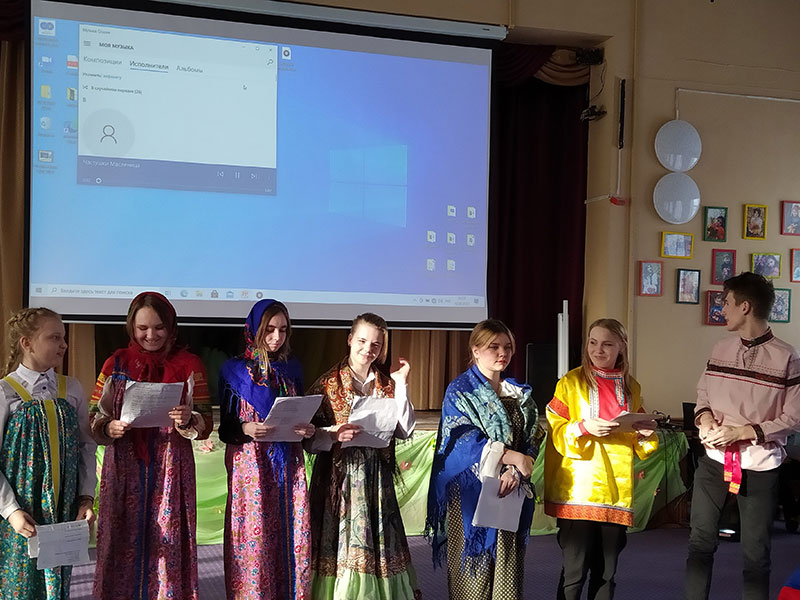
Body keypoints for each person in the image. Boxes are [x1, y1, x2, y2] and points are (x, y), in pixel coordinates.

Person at [90, 292, 212, 600]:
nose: (151, 335)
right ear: (131, 327)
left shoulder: (190, 365)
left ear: (171, 327)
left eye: (159, 327)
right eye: (143, 328)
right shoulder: (116, 363)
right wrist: (108, 426)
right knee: (121, 536)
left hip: (171, 465)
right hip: (125, 463)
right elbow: (94, 415)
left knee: (168, 536)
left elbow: (206, 421)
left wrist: (188, 419)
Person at [686, 272, 800, 600]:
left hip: (760, 466)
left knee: (756, 556)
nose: (722, 309)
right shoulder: (720, 348)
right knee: (699, 544)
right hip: (714, 461)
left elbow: (794, 417)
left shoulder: (787, 357)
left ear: (745, 307)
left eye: (726, 302)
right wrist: (705, 420)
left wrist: (742, 432)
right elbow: (703, 394)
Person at [306, 313, 420, 600]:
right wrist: (333, 435)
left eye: (376, 345)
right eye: (362, 341)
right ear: (349, 340)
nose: (368, 349)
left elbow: (405, 430)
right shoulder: (327, 385)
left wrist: (402, 384)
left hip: (375, 480)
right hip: (339, 482)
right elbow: (307, 439)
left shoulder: (387, 385)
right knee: (340, 546)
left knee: (378, 542)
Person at [426, 319, 541, 600]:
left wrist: (515, 470)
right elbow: (461, 439)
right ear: (476, 350)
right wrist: (510, 457)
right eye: (494, 347)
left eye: (507, 347)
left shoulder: (519, 394)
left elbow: (532, 436)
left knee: (506, 573)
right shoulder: (461, 390)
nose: (502, 353)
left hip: (510, 489)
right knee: (473, 576)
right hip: (472, 492)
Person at [544, 318, 657, 600]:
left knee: (606, 573)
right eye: (592, 343)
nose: (598, 350)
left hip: (615, 491)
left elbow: (640, 440)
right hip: (578, 490)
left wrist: (644, 433)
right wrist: (583, 427)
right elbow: (555, 428)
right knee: (574, 573)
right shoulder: (570, 383)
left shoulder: (631, 387)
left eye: (607, 344)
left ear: (621, 347)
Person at [218, 299, 315, 599]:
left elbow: (298, 412)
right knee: (254, 538)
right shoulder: (234, 370)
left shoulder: (292, 368)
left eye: (283, 330)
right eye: (269, 329)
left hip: (287, 464)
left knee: (291, 533)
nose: (276, 337)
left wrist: (306, 429)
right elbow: (225, 428)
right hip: (251, 467)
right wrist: (246, 428)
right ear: (254, 329)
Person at [0, 307, 96, 598]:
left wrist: (86, 497)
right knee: (19, 585)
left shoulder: (72, 389)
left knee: (58, 585)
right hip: (22, 512)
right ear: (26, 343)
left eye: (64, 338)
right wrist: (11, 511)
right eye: (54, 337)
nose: (63, 345)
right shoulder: (5, 392)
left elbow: (86, 447)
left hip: (64, 510)